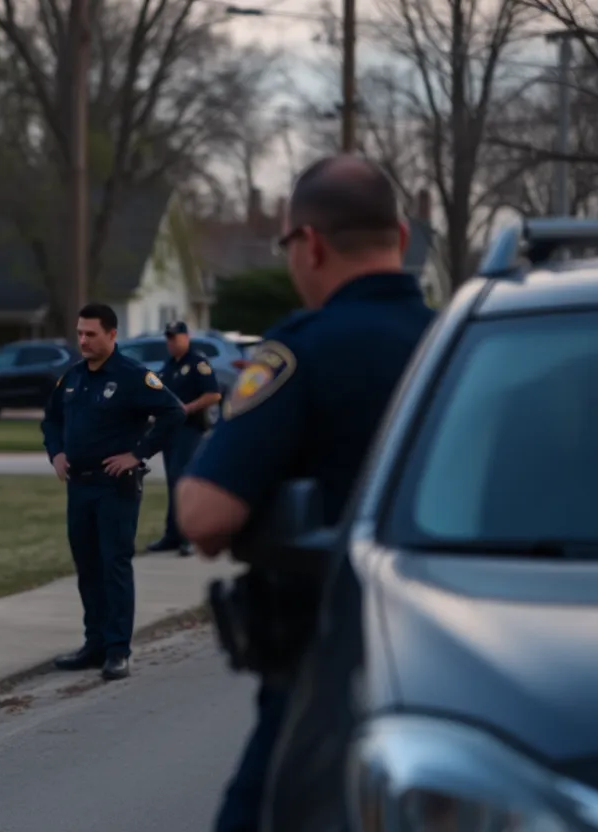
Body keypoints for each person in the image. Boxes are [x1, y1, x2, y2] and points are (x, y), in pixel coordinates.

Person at [174, 155, 436, 832]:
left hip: (326, 674)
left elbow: (204, 515)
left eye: (286, 244)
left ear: (310, 244)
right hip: (464, 666)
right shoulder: (460, 344)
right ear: (401, 239)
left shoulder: (299, 354)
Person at [41, 303, 186, 681]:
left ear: (112, 335)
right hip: (79, 485)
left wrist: (137, 454)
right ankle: (95, 644)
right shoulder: (72, 378)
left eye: (91, 334)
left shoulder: (132, 377)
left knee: (114, 565)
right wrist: (56, 452)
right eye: (80, 333)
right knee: (87, 567)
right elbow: (52, 418)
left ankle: (118, 650)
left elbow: (174, 413)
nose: (84, 341)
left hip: (114, 489)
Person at [144, 321, 222, 556]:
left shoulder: (198, 363)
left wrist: (187, 408)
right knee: (172, 482)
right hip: (170, 431)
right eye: (168, 338)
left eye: (175, 337)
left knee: (182, 480)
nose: (171, 342)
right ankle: (172, 535)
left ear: (186, 337)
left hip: (190, 429)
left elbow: (214, 394)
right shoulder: (167, 367)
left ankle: (188, 537)